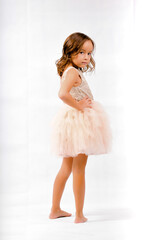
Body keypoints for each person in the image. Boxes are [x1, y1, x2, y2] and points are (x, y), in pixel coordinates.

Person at [49, 32, 112, 223]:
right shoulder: (73, 72)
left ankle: (55, 209)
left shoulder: (69, 69)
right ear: (70, 51)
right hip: (79, 122)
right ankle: (79, 215)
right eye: (82, 52)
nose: (86, 57)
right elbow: (62, 94)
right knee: (78, 169)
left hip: (70, 121)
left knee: (66, 167)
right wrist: (79, 106)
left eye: (90, 53)